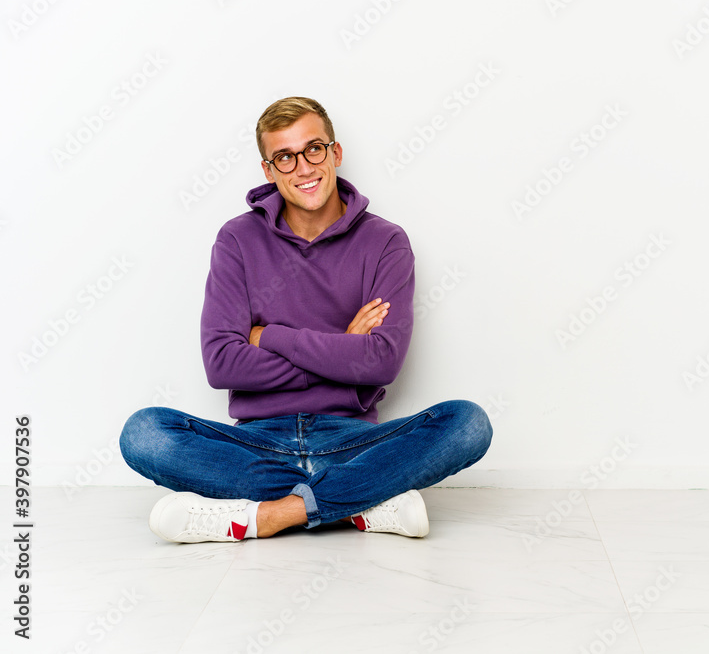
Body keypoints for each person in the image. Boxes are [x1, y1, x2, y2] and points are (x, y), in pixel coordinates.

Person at [119, 96, 492, 543]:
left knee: (468, 423)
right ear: (268, 170)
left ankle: (271, 516)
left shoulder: (386, 241)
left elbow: (381, 362)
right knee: (144, 432)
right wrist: (343, 348)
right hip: (257, 445)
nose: (303, 167)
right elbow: (222, 364)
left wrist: (268, 336)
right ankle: (361, 501)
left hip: (352, 443)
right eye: (285, 157)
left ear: (335, 153)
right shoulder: (237, 239)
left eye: (313, 149)